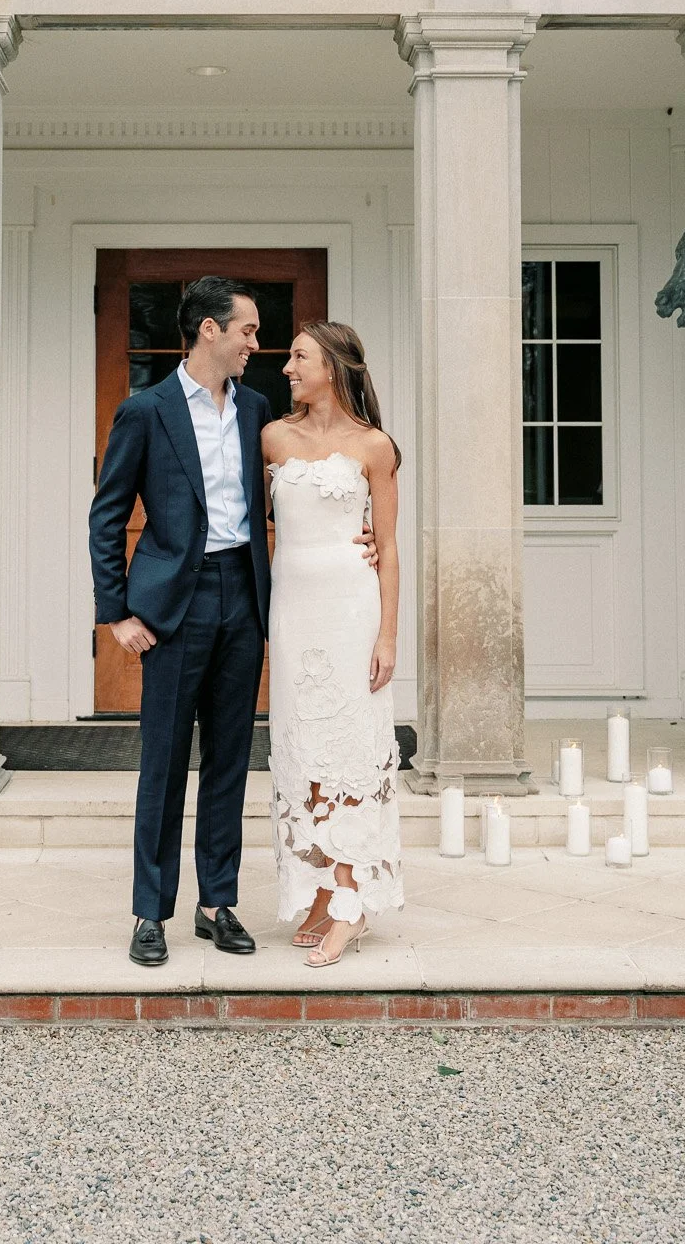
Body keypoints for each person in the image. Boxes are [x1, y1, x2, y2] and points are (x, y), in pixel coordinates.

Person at [88, 276, 273, 969]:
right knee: (164, 763)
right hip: (172, 604)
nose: (255, 343)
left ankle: (216, 904)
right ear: (208, 330)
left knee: (229, 760)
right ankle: (150, 911)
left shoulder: (257, 409)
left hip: (243, 598)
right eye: (247, 330)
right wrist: (115, 614)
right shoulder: (146, 411)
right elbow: (107, 516)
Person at [264, 320, 404, 968]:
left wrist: (387, 636)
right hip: (293, 616)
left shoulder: (375, 447)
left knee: (347, 753)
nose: (287, 367)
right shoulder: (271, 439)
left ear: (334, 366)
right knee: (305, 755)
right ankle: (322, 886)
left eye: (298, 357)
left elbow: (390, 548)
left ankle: (350, 906)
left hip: (351, 613)